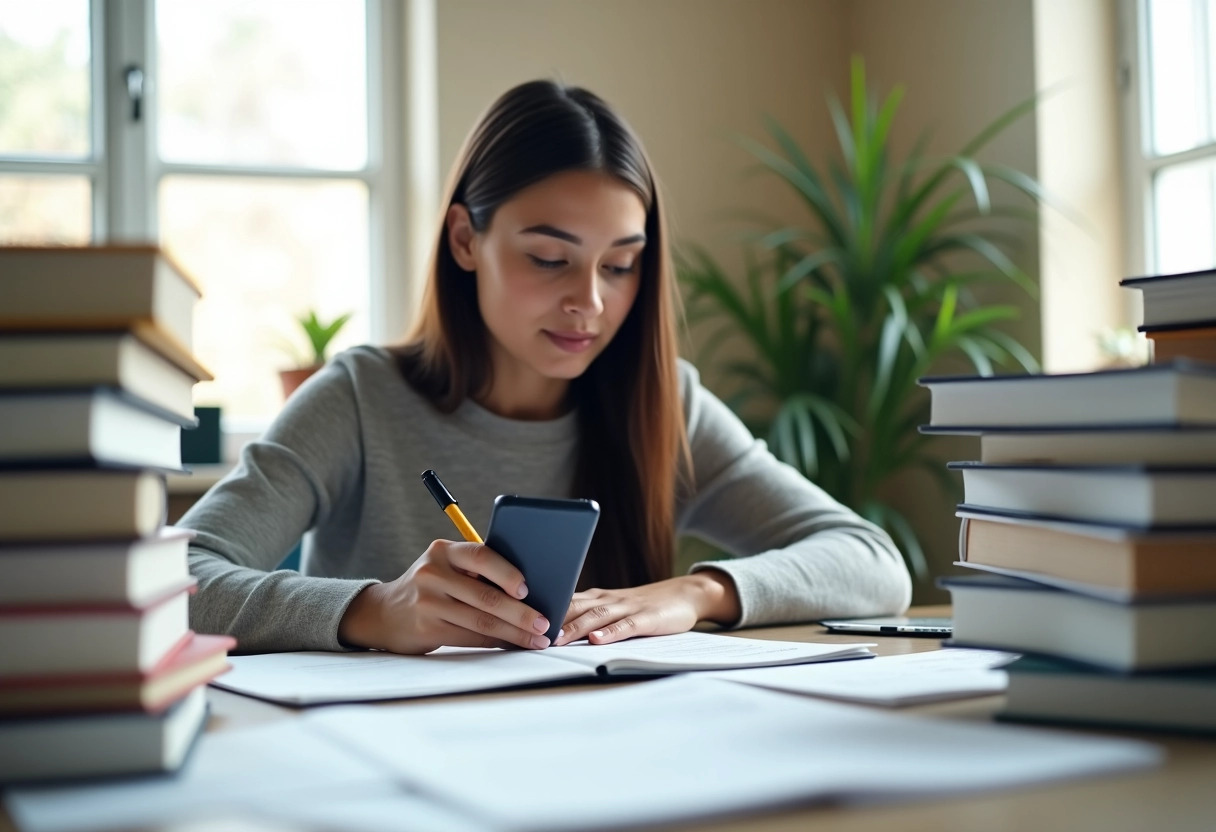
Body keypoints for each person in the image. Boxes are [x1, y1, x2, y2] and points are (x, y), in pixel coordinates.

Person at [181, 79, 911, 655]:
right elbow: (177, 579)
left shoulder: (663, 404)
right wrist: (373, 610)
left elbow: (873, 562)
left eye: (621, 265)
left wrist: (696, 593)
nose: (588, 301)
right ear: (466, 239)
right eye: (549, 259)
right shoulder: (361, 397)